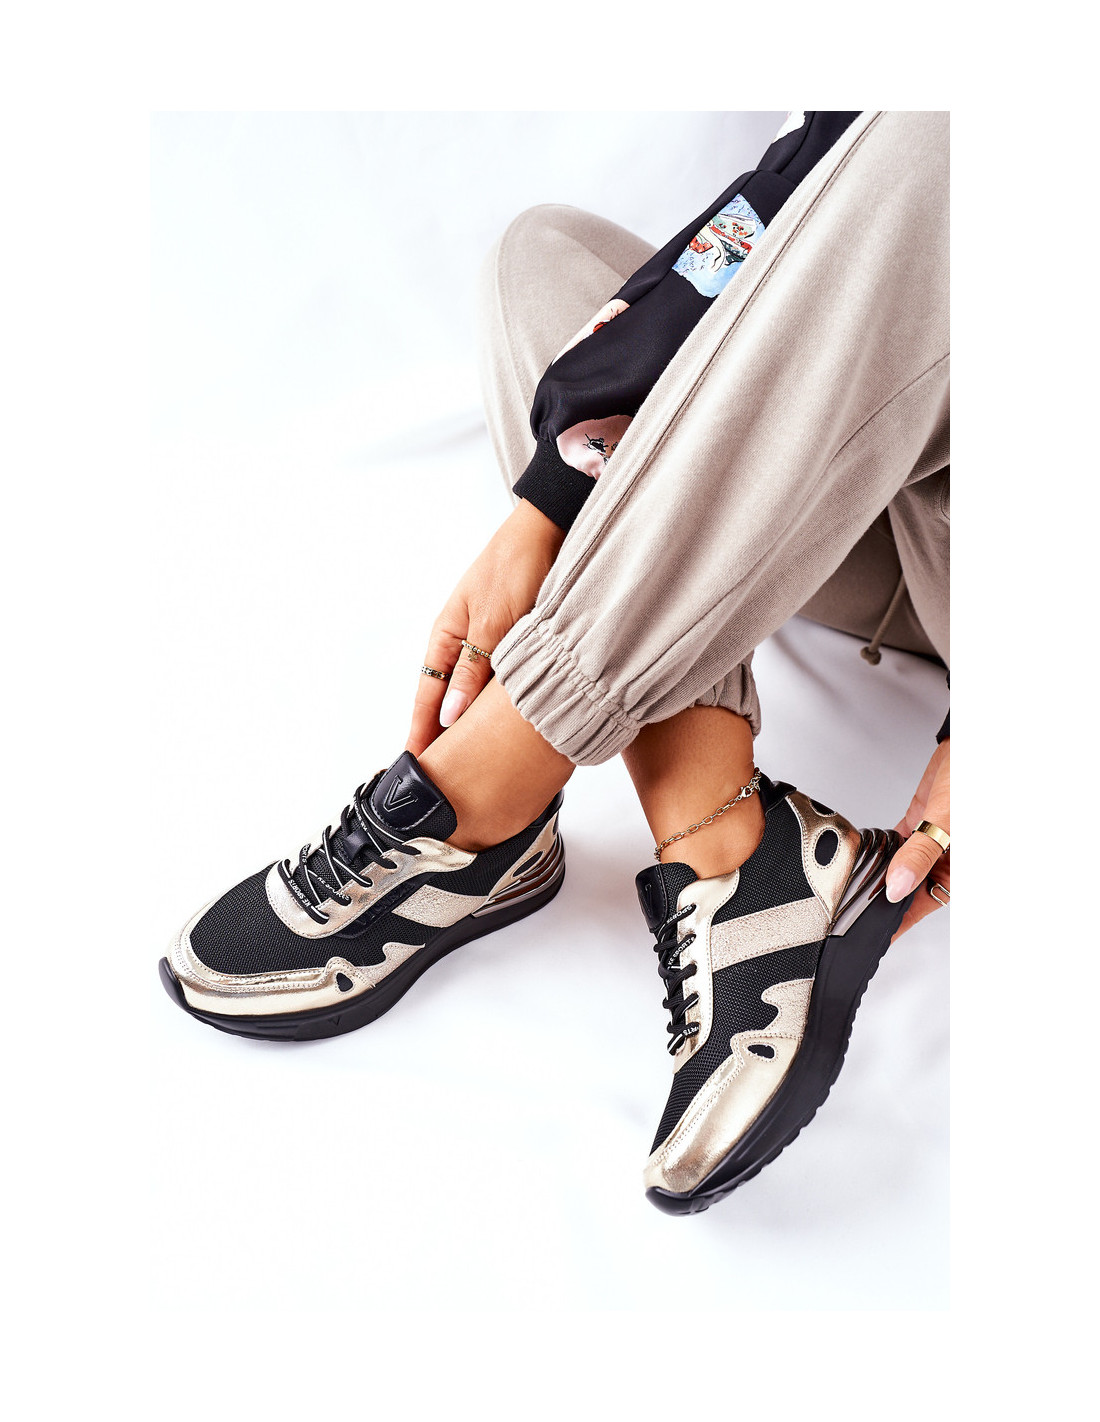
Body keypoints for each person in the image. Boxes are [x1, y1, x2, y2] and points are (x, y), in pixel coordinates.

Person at [160, 110, 950, 1216]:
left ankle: (481, 792)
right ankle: (728, 847)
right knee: (546, 260)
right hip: (876, 480)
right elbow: (787, 209)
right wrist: (553, 492)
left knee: (952, 132)